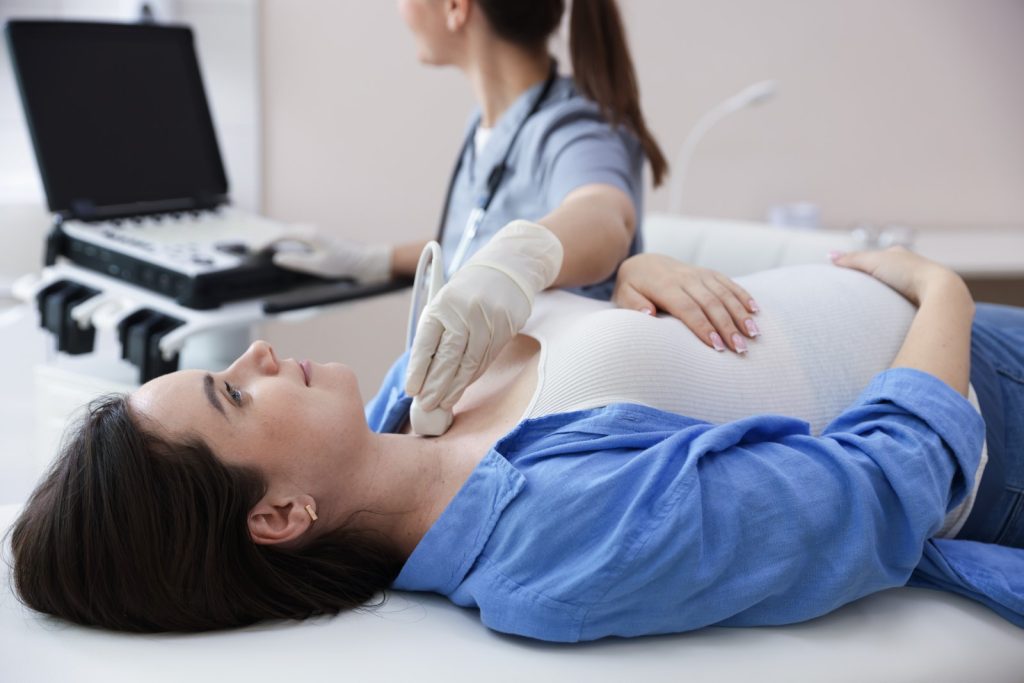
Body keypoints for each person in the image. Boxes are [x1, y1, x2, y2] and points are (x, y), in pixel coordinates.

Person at [9, 246, 1024, 638]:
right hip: (989, 400)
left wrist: (624, 276)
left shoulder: (414, 391)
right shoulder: (557, 540)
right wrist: (939, 289)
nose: (261, 351)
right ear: (278, 515)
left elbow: (608, 273)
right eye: (235, 392)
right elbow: (881, 490)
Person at [269, 0, 762, 424]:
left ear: (456, 7)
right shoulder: (486, 127)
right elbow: (476, 244)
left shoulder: (576, 127)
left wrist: (521, 258)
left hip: (536, 418)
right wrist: (371, 261)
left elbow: (605, 216)